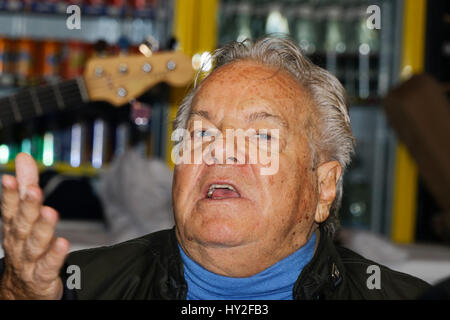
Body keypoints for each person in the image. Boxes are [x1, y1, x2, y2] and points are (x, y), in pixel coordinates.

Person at [0, 37, 429, 300]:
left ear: (324, 187)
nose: (222, 153)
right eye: (202, 135)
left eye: (262, 138)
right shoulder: (70, 290)